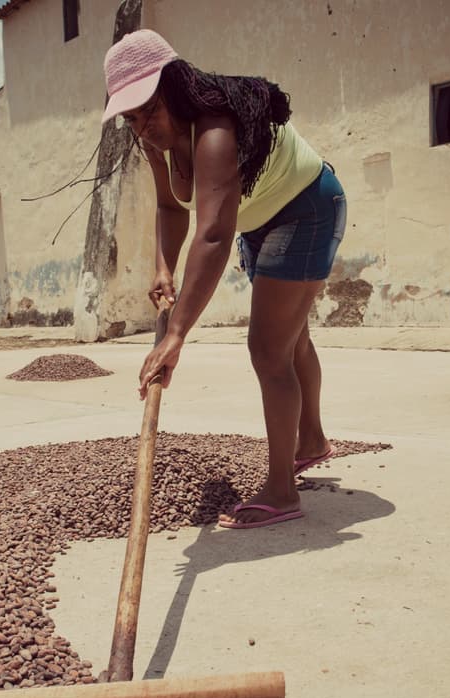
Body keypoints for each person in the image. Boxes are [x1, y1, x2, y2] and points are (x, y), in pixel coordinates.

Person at [102, 30, 345, 530]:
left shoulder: (214, 132)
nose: (144, 127)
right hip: (259, 220)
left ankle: (282, 492)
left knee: (268, 349)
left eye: (149, 110)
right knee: (290, 339)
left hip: (307, 208)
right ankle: (311, 441)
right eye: (131, 118)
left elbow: (213, 233)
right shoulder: (154, 142)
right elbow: (171, 207)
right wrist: (163, 266)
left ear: (175, 87)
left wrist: (175, 335)